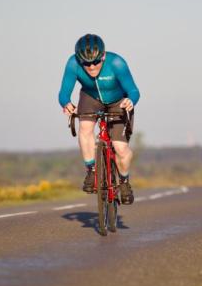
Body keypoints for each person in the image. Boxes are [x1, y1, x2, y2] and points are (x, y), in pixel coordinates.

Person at [58, 34, 140, 204]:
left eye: (96, 62)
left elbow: (133, 90)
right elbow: (64, 93)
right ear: (79, 60)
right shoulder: (73, 63)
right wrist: (66, 104)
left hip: (118, 101)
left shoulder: (117, 63)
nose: (91, 66)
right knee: (85, 128)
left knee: (120, 148)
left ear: (103, 56)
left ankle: (124, 182)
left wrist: (131, 101)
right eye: (86, 63)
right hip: (91, 98)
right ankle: (92, 171)